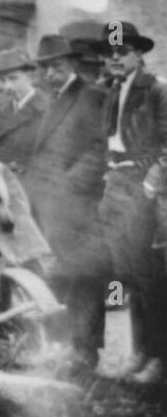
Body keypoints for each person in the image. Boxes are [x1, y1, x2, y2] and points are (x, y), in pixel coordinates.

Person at [22, 34, 110, 380]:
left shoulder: (93, 96)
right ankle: (63, 349)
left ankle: (86, 353)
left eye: (57, 66)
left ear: (71, 64)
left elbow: (101, 150)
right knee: (58, 279)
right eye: (45, 68)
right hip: (50, 210)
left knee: (86, 280)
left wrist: (69, 184)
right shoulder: (51, 101)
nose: (51, 73)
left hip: (81, 209)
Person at [96, 21, 167, 385]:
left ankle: (157, 356)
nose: (116, 59)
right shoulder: (111, 90)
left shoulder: (156, 90)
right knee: (125, 275)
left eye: (122, 51)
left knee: (148, 274)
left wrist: (152, 182)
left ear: (139, 54)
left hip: (143, 186)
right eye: (111, 53)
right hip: (117, 183)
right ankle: (139, 351)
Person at [0, 49, 48, 175]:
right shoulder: (1, 109)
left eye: (13, 78)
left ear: (30, 76)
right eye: (3, 80)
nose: (7, 86)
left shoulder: (47, 109)